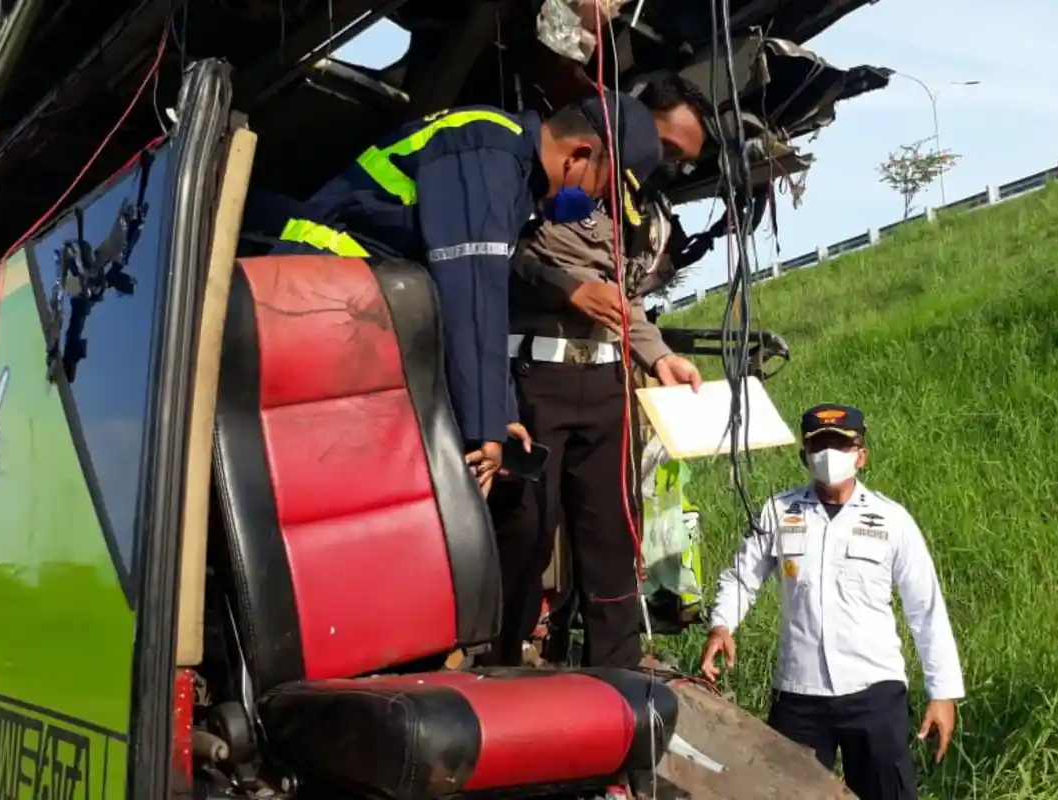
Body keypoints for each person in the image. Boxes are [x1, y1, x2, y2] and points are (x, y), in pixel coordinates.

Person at [268, 95, 664, 489]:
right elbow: (472, 295)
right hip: (316, 297)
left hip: (348, 307)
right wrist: (484, 431)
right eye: (600, 191)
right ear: (579, 155)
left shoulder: (510, 168)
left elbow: (485, 302)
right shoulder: (489, 151)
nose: (592, 205)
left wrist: (502, 412)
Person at [483, 75, 715, 669]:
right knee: (528, 527)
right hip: (538, 376)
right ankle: (501, 662)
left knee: (611, 531)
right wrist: (565, 288)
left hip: (608, 382)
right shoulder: (556, 180)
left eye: (681, 161)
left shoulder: (647, 215)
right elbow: (499, 255)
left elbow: (625, 296)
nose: (665, 166)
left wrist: (658, 356)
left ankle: (618, 670)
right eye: (664, 148)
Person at [699, 404, 965, 800]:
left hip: (874, 691)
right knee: (788, 794)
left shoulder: (891, 520)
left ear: (861, 456)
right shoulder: (779, 511)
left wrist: (942, 693)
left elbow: (925, 609)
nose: (828, 454)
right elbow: (742, 578)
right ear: (804, 456)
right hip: (799, 692)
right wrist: (721, 624)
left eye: (840, 445)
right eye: (819, 445)